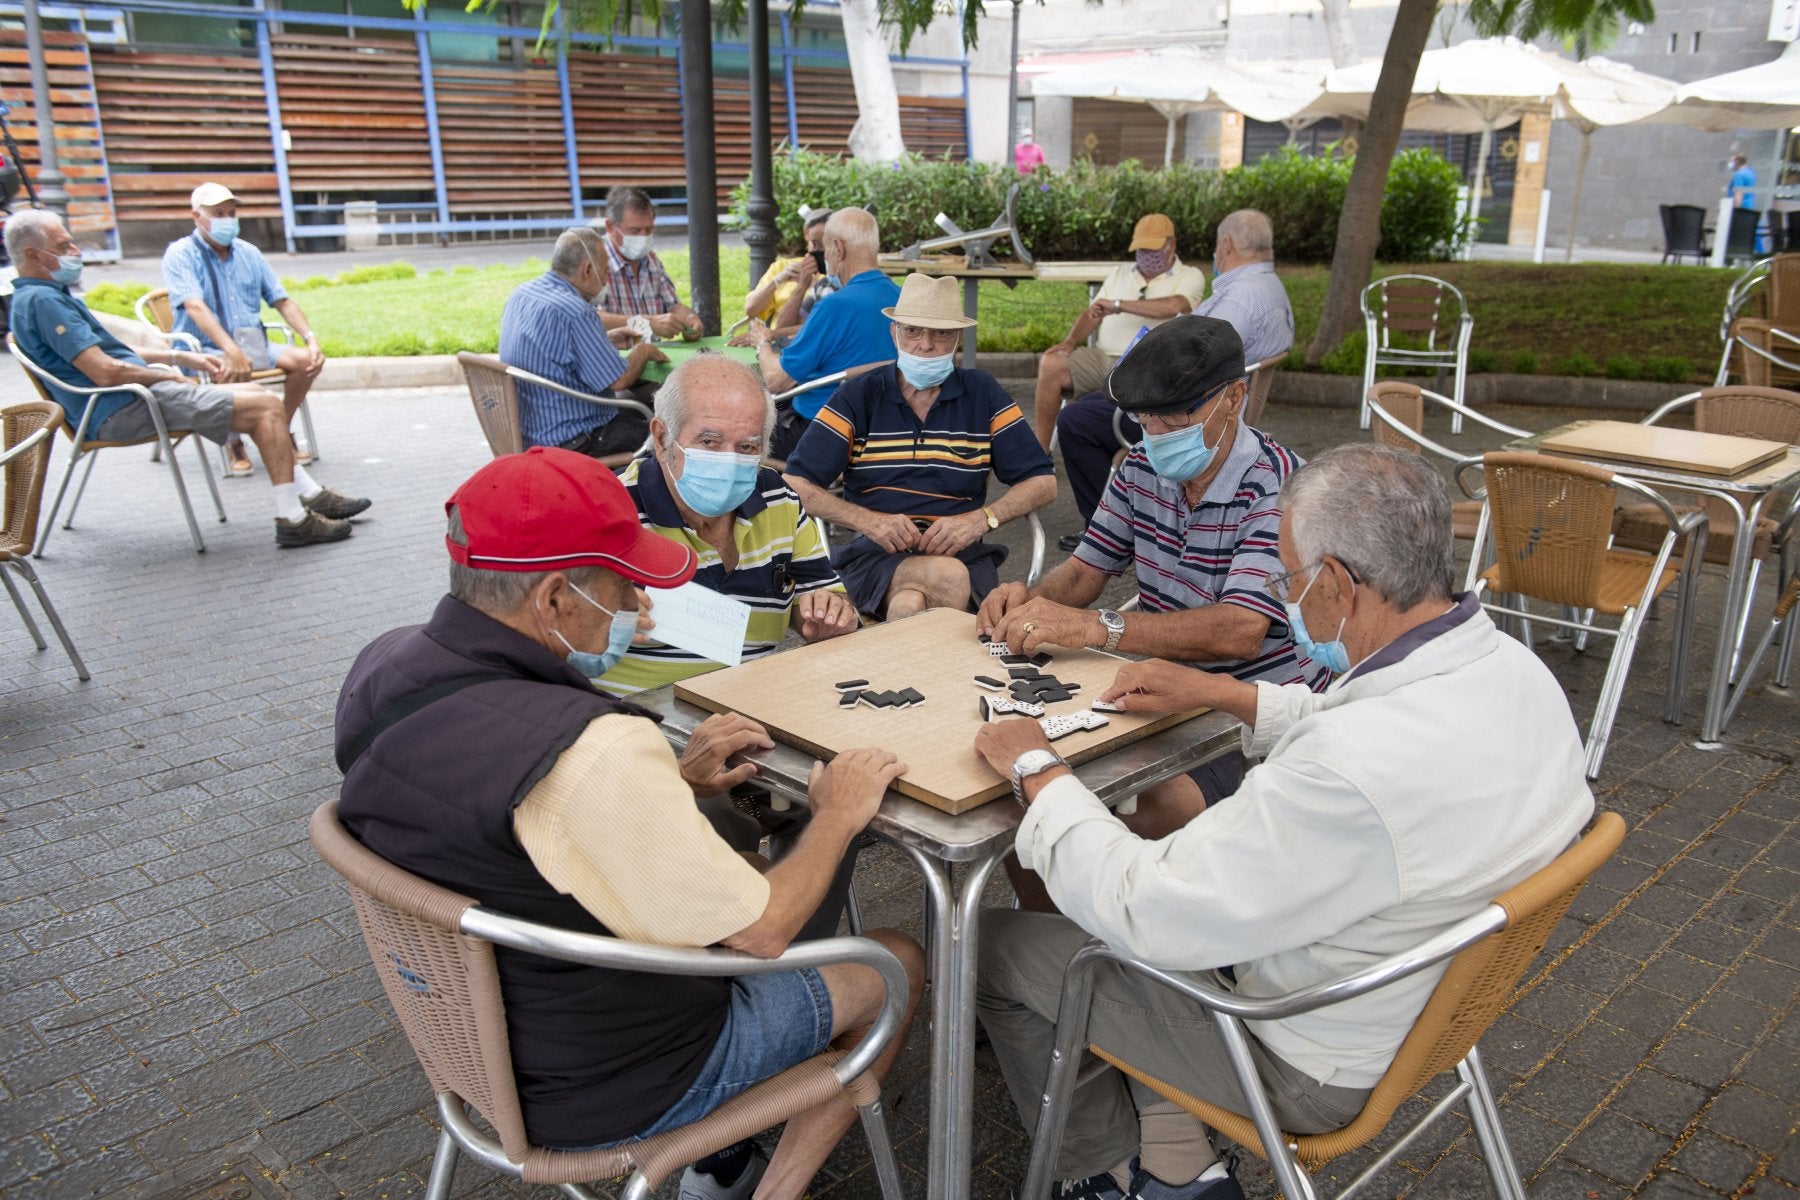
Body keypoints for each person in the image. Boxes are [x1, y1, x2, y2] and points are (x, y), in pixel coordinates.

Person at [971, 443, 1596, 1200]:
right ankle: (1169, 1150)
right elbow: (1364, 714)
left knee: (997, 944)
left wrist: (1040, 768)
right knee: (1112, 865)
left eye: (1288, 579)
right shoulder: (1515, 671)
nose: (1286, 597)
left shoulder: (1347, 770)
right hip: (1433, 1004)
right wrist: (1222, 694)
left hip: (1305, 1055)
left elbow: (1149, 908)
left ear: (1338, 584)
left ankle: (1104, 1172)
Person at [334, 447, 924, 1200]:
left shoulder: (381, 666)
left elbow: (496, 828)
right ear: (553, 599)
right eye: (620, 582)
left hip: (471, 1044)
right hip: (620, 1082)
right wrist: (838, 814)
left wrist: (666, 786)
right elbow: (761, 934)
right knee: (895, 962)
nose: (639, 602)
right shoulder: (591, 746)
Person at [979, 317, 1324, 861]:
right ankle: (1075, 920)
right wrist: (1033, 598)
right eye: (1142, 419)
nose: (1155, 434)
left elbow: (1240, 631)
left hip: (1249, 703)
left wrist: (1098, 627)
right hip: (1158, 686)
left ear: (1234, 397)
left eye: (1173, 417)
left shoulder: (1278, 486)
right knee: (1027, 801)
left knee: (1157, 810)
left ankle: (1121, 914)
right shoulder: (1141, 465)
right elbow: (1089, 569)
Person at [6, 209, 369, 548]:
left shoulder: (43, 296)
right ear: (33, 254)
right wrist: (174, 379)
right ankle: (293, 519)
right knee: (266, 406)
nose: (74, 251)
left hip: (123, 399)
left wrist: (179, 356)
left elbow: (112, 353)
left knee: (255, 392)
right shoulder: (44, 302)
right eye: (63, 246)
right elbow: (105, 371)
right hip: (120, 408)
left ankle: (306, 495)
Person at [783, 273, 1057, 619]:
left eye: (941, 332)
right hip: (874, 556)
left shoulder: (981, 394)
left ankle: (892, 670)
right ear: (893, 332)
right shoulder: (860, 395)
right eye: (912, 330)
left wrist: (981, 519)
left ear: (958, 337)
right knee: (946, 577)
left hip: (965, 555)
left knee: (912, 602)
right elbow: (794, 484)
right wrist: (869, 522)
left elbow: (1043, 483)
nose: (925, 344)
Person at [597, 353, 858, 699]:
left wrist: (829, 615)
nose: (729, 460)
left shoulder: (778, 499)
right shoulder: (605, 514)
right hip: (638, 715)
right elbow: (546, 630)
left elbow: (820, 598)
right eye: (709, 442)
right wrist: (593, 615)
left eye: (748, 446)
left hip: (752, 707)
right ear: (661, 438)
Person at [1054, 210, 1295, 540]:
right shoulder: (1267, 286)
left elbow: (1193, 363)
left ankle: (1106, 531)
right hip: (1213, 409)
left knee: (1076, 421)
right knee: (1094, 405)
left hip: (1188, 416)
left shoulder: (1241, 296)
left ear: (1225, 245)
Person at [161, 182, 324, 477]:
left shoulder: (249, 253)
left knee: (305, 362)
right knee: (228, 367)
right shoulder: (181, 254)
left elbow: (282, 300)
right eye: (218, 213)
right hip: (204, 349)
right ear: (197, 216)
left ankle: (276, 426)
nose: (226, 218)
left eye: (231, 212)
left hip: (253, 343)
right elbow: (194, 306)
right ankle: (232, 440)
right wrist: (230, 350)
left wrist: (311, 340)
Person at [1031, 213, 1205, 454]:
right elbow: (1095, 311)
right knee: (1050, 363)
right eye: (1141, 247)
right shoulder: (1119, 274)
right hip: (1106, 359)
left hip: (1150, 367)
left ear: (1171, 245)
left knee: (1091, 411)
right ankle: (1040, 453)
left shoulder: (1190, 275)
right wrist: (1070, 341)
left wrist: (1119, 304)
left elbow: (1175, 306)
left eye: (1151, 248)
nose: (1145, 254)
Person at [498, 226, 667, 457]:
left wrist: (603, 340)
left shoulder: (523, 293)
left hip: (528, 430)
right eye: (605, 271)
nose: (606, 279)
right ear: (588, 269)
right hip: (575, 437)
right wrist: (644, 350)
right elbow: (618, 381)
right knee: (667, 437)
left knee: (639, 416)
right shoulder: (577, 311)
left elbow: (552, 347)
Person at [747, 208, 901, 461]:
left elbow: (777, 380)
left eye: (826, 249)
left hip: (820, 430)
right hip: (882, 427)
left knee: (733, 434)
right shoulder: (900, 296)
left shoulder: (835, 305)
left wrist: (761, 341)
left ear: (838, 249)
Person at [595, 185, 704, 341]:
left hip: (652, 354)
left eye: (649, 230)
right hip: (612, 358)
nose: (643, 237)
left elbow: (672, 305)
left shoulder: (651, 260)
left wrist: (690, 318)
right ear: (610, 226)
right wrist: (644, 322)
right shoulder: (593, 261)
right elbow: (587, 318)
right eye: (634, 231)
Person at [738, 208, 838, 344]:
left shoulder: (839, 275)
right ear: (806, 234)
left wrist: (814, 286)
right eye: (814, 243)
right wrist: (777, 280)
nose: (816, 250)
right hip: (779, 344)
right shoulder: (783, 267)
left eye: (824, 245)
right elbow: (751, 310)